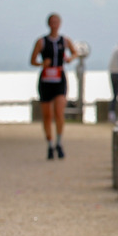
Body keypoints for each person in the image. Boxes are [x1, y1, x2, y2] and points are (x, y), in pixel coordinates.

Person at [30, 13, 78, 159]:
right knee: (47, 115)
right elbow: (32, 60)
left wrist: (70, 58)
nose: (54, 24)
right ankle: (50, 144)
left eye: (57, 22)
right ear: (48, 24)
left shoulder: (65, 40)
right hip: (46, 80)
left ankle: (59, 142)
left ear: (60, 23)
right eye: (52, 22)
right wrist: (42, 64)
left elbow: (75, 52)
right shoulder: (41, 41)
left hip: (59, 78)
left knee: (59, 112)